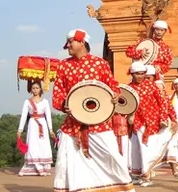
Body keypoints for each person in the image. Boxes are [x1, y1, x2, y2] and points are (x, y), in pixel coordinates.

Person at [52, 29, 134, 192]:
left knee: (111, 155)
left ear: (82, 42)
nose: (68, 45)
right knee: (65, 160)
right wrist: (63, 104)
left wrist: (115, 95)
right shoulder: (64, 66)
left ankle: (123, 188)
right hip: (73, 123)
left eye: (71, 42)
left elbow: (113, 86)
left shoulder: (100, 64)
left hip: (99, 121)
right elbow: (58, 93)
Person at [128, 64, 178, 186]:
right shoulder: (128, 89)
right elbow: (124, 104)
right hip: (137, 123)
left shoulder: (151, 87)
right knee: (136, 149)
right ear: (132, 74)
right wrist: (128, 117)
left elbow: (163, 103)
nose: (140, 76)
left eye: (142, 74)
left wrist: (164, 119)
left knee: (148, 148)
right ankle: (137, 175)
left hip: (154, 123)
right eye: (137, 74)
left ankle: (146, 176)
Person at [16, 81, 54, 176]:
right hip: (33, 125)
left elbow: (48, 116)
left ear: (40, 89)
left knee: (42, 144)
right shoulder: (27, 102)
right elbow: (24, 116)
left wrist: (50, 129)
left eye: (37, 88)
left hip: (42, 124)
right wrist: (20, 129)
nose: (35, 90)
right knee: (33, 144)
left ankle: (43, 167)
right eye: (33, 88)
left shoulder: (45, 102)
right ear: (31, 90)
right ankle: (35, 167)